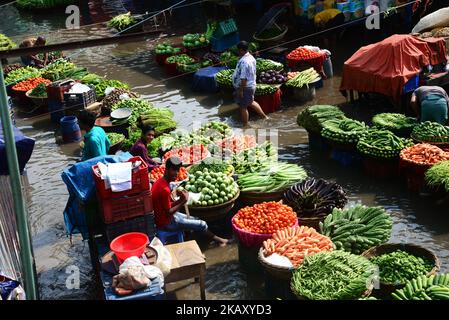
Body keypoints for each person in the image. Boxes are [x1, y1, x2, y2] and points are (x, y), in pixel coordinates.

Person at [152, 156, 231, 247]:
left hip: (163, 217)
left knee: (195, 219)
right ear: (167, 169)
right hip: (166, 223)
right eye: (174, 170)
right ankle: (220, 241)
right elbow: (168, 212)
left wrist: (181, 200)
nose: (177, 174)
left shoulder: (159, 182)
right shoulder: (164, 189)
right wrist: (183, 201)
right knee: (202, 224)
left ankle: (191, 237)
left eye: (178, 170)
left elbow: (167, 207)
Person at [232, 41, 269, 127]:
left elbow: (244, 78)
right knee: (251, 102)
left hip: (245, 87)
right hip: (251, 85)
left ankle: (245, 125)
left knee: (243, 107)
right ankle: (264, 117)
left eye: (238, 50)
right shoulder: (251, 57)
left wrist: (241, 90)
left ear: (241, 50)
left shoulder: (245, 62)